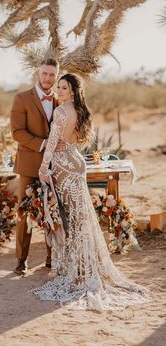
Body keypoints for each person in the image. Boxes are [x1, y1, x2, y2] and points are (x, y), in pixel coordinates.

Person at [34, 73, 147, 311]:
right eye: (59, 87)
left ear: (73, 91)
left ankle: (79, 272)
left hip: (64, 163)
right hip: (76, 161)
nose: (59, 90)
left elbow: (54, 142)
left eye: (63, 88)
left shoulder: (61, 112)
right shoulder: (80, 110)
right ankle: (83, 267)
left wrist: (44, 167)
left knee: (73, 219)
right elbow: (73, 140)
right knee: (80, 217)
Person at [10, 57, 60, 275]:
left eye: (52, 74)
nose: (48, 78)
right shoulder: (21, 99)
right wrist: (43, 144)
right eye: (44, 73)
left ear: (56, 76)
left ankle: (51, 258)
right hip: (29, 164)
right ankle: (21, 260)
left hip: (55, 166)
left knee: (53, 210)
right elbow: (17, 132)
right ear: (37, 74)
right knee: (24, 212)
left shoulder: (61, 99)